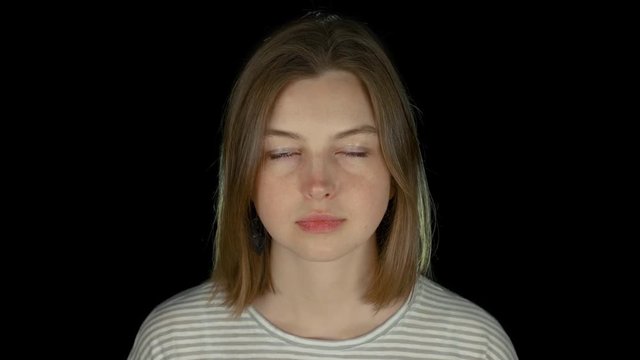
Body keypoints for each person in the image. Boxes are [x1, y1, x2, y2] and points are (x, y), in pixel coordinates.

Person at [128, 11, 518, 360]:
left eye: (352, 150)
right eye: (282, 152)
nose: (318, 185)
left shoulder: (472, 346)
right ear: (244, 175)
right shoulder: (175, 343)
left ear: (398, 171)